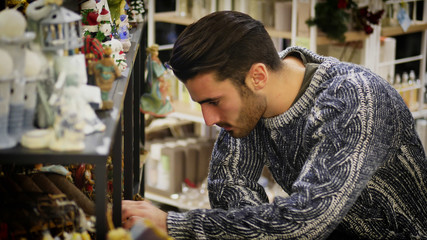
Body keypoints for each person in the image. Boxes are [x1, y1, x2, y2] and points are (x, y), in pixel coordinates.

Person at [122, 11, 427, 239]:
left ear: (258, 76)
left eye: (213, 101)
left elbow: (306, 220)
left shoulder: (355, 99)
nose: (209, 119)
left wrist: (175, 225)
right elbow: (228, 186)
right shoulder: (255, 100)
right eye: (202, 104)